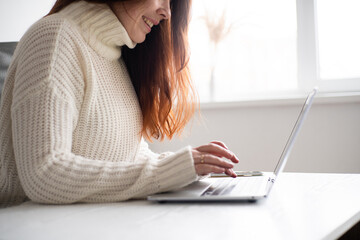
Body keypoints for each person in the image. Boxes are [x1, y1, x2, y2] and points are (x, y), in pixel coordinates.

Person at [0, 0, 239, 207]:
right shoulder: (54, 38)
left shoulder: (116, 55)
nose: (167, 12)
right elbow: (45, 173)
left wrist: (189, 164)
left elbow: (127, 160)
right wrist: (167, 173)